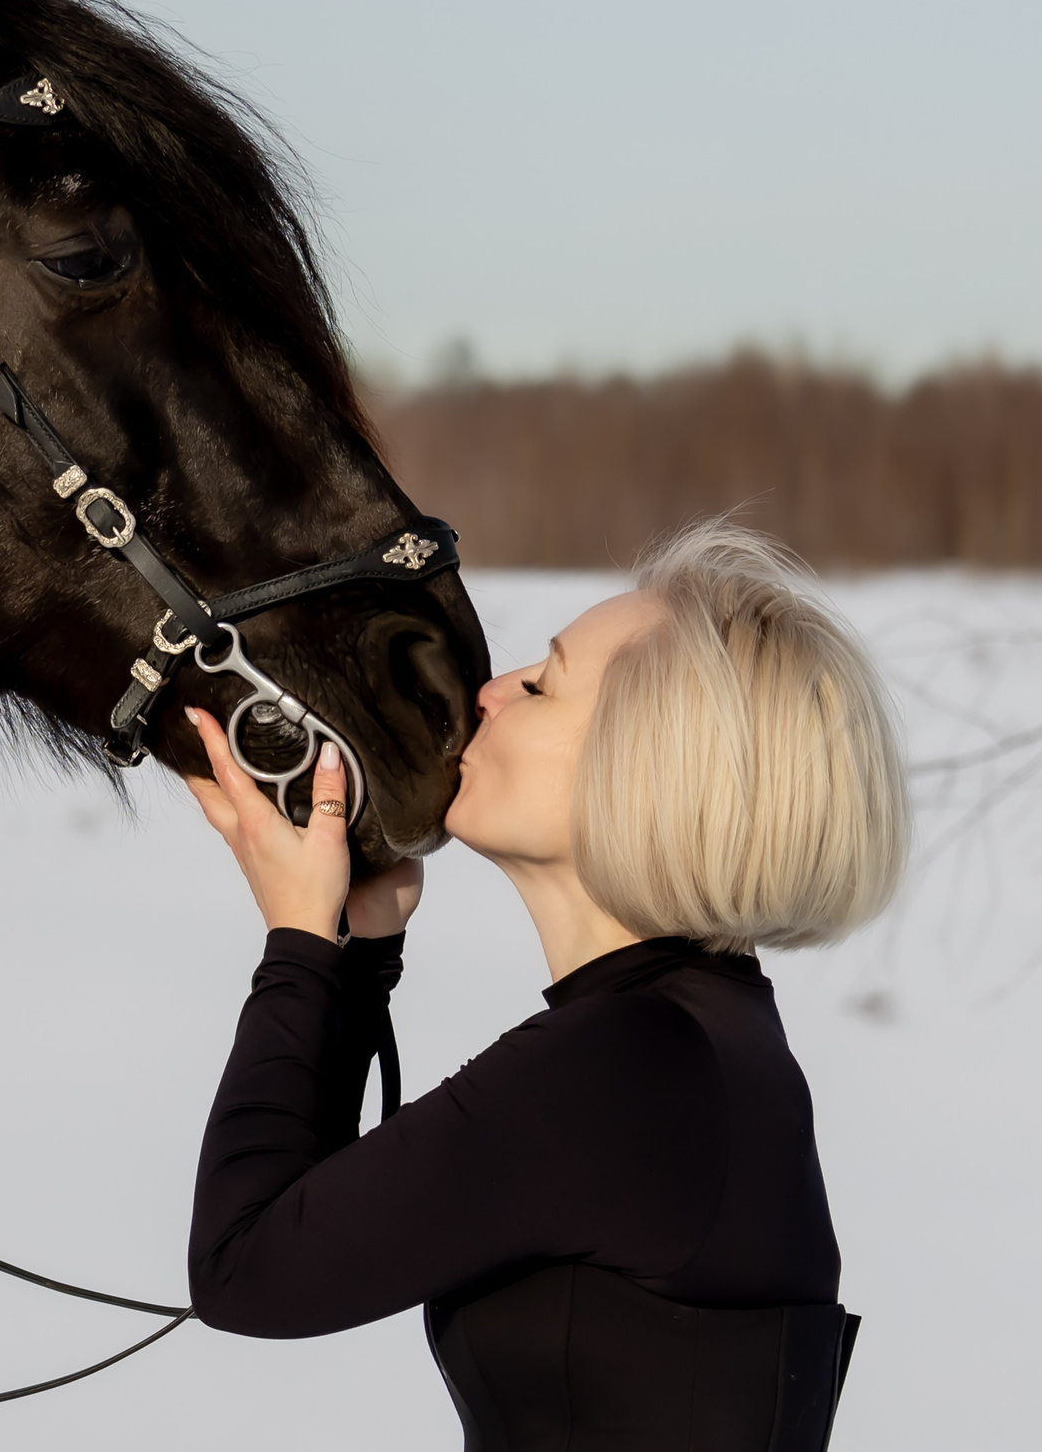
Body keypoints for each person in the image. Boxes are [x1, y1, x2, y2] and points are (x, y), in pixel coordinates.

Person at [182, 521, 907, 1452]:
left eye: (542, 683)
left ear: (644, 769)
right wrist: (357, 952)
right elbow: (305, 1226)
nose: (487, 691)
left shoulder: (627, 1066)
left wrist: (296, 943)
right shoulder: (701, 1045)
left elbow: (250, 1270)